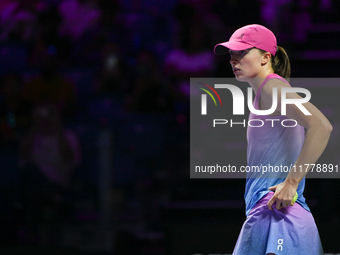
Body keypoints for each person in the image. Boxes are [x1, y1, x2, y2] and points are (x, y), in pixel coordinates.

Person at [214, 24, 332, 255]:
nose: (233, 60)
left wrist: (291, 183)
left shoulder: (273, 88)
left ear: (265, 57)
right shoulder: (267, 92)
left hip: (278, 213)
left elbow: (321, 126)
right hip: (270, 211)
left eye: (242, 52)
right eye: (231, 54)